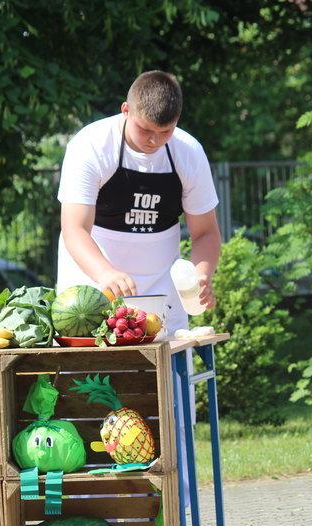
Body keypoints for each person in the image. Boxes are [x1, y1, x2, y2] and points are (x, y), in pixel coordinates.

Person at [56, 70, 221, 334]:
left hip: (163, 293)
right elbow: (74, 229)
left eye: (165, 131)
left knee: (167, 372)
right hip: (93, 284)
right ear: (126, 110)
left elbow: (206, 232)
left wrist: (200, 276)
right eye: (145, 130)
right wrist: (106, 273)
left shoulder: (189, 152)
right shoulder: (91, 145)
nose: (154, 141)